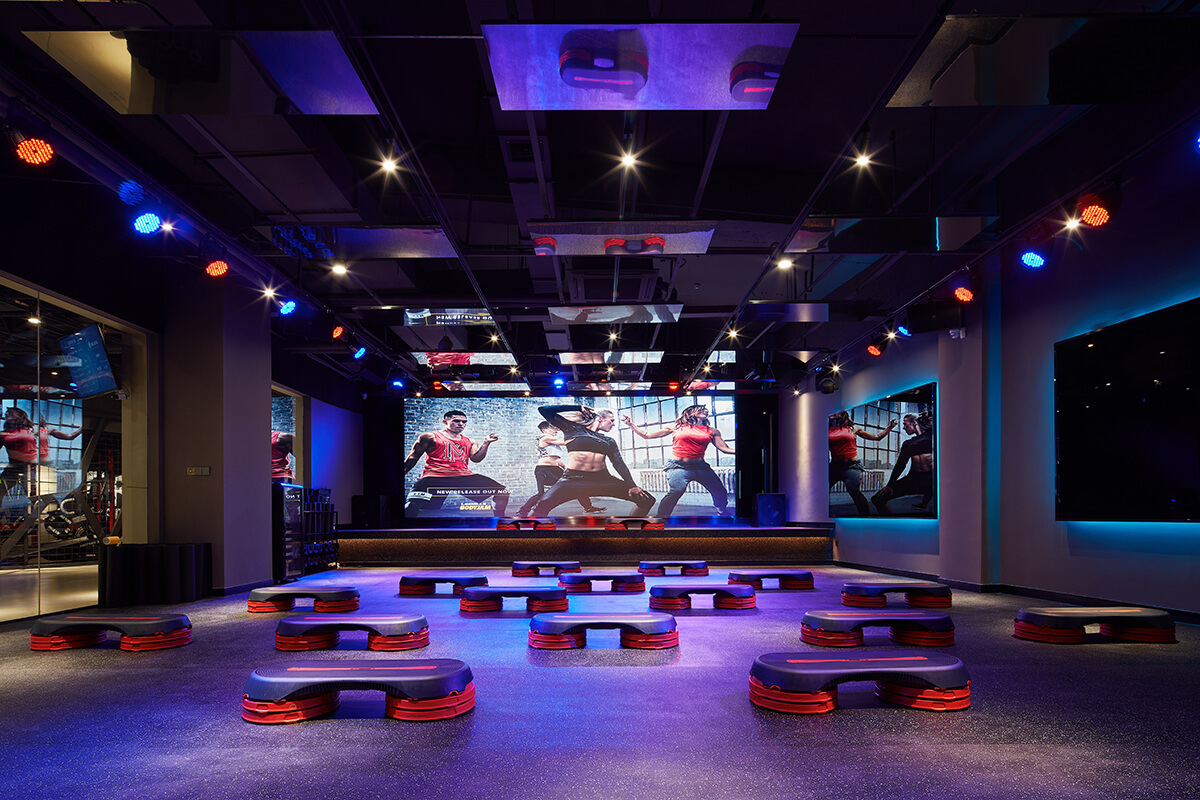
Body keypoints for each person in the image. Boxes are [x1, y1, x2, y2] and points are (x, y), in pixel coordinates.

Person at [531, 405, 654, 517]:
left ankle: (629, 528)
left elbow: (619, 464)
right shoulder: (572, 429)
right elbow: (544, 410)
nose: (613, 424)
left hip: (603, 480)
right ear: (599, 418)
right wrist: (578, 407)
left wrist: (632, 485)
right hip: (573, 479)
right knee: (540, 507)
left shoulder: (609, 441)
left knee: (647, 500)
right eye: (611, 420)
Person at [621, 404, 735, 516]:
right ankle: (662, 518)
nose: (705, 411)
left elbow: (724, 448)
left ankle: (721, 511)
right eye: (700, 410)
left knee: (719, 490)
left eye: (706, 410)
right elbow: (647, 435)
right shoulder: (677, 427)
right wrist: (630, 424)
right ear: (690, 412)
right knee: (676, 490)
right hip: (678, 467)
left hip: (700, 467)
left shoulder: (712, 431)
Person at [403, 409, 509, 516]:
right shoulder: (429, 437)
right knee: (412, 505)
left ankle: (500, 520)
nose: (461, 424)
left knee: (503, 492)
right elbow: (413, 457)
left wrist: (486, 443)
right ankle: (405, 526)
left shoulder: (470, 441)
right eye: (456, 421)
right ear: (445, 422)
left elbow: (476, 459)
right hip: (435, 476)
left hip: (462, 476)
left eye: (464, 422)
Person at [515, 421, 604, 517]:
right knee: (541, 493)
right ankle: (522, 511)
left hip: (556, 469)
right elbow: (566, 442)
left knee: (576, 486)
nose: (556, 431)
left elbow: (555, 458)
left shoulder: (552, 443)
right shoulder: (545, 438)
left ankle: (588, 508)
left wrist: (565, 467)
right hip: (543, 470)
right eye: (552, 428)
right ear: (544, 430)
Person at [0, 406, 83, 502]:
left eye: (10, 412)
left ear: (19, 415)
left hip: (31, 468)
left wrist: (82, 428)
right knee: (2, 489)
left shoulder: (34, 430)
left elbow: (69, 436)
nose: (6, 413)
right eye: (6, 413)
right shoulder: (4, 434)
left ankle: (54, 507)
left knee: (35, 496)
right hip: (13, 468)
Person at [828, 410, 895, 515]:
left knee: (854, 491)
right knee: (821, 491)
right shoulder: (825, 430)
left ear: (841, 414)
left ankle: (865, 517)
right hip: (834, 467)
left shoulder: (852, 428)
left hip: (852, 467)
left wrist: (890, 427)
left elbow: (877, 437)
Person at [873, 412, 935, 515]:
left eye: (905, 424)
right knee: (877, 499)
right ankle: (893, 523)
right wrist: (890, 485)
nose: (903, 428)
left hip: (933, 479)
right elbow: (900, 465)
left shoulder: (933, 435)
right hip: (913, 479)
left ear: (914, 423)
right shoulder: (908, 444)